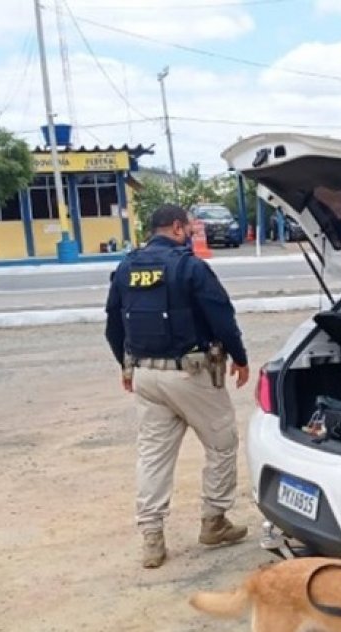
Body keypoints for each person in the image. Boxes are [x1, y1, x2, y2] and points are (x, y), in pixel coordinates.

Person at [105, 203, 250, 569]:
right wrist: (240, 357)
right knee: (222, 443)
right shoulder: (190, 267)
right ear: (176, 227)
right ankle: (214, 521)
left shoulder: (126, 267)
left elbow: (113, 325)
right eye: (188, 228)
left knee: (153, 456)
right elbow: (222, 316)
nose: (190, 233)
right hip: (191, 376)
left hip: (145, 376)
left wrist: (126, 366)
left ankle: (152, 538)